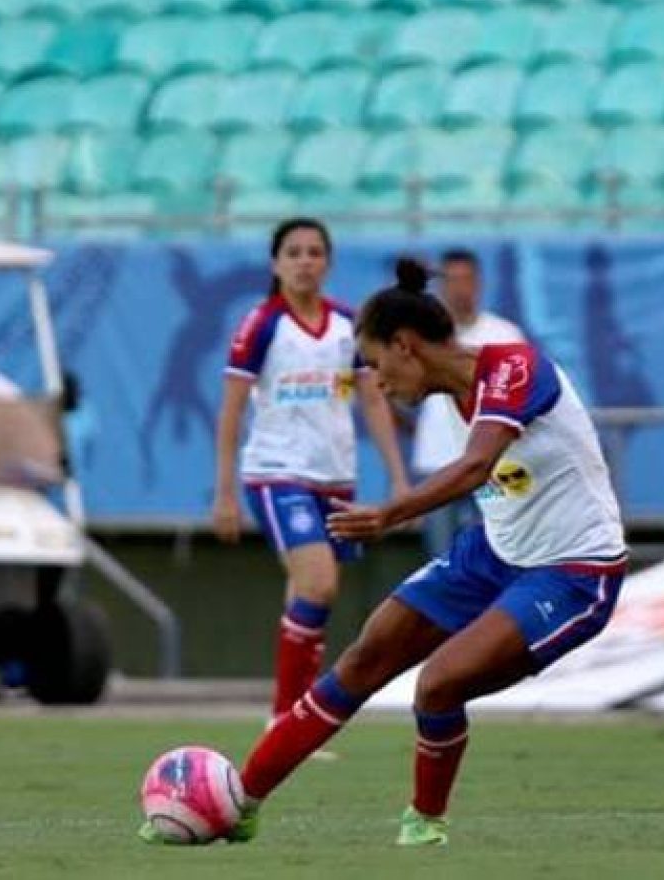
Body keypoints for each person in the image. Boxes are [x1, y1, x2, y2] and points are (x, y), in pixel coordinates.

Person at [141, 258, 627, 847]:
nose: (376, 381)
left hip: (574, 571)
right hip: (495, 553)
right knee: (365, 656)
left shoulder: (514, 366)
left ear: (405, 346)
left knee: (438, 684)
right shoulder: (452, 388)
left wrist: (389, 513)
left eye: (374, 365)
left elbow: (477, 467)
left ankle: (425, 827)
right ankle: (241, 800)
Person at [210, 217, 409, 727]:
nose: (304, 261)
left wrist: (399, 479)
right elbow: (232, 409)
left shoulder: (348, 325)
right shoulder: (262, 324)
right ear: (276, 263)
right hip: (278, 473)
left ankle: (288, 716)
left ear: (328, 262)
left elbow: (373, 400)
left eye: (314, 252)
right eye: (293, 252)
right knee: (319, 585)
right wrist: (225, 492)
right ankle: (293, 718)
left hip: (335, 477)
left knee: (306, 593)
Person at [410, 249, 524, 555]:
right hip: (438, 462)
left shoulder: (504, 335)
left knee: (496, 555)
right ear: (441, 287)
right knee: (442, 560)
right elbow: (392, 391)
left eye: (467, 280)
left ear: (479, 284)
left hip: (492, 464)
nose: (461, 289)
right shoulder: (421, 337)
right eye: (453, 281)